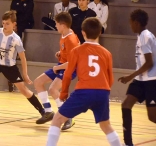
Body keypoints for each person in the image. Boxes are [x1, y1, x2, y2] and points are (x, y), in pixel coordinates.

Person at [46, 17, 121, 146]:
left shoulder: (77, 51)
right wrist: (103, 93)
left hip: (84, 91)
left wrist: (64, 93)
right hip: (103, 92)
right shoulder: (107, 53)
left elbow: (68, 75)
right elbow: (111, 78)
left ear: (83, 33)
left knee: (57, 119)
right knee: (106, 125)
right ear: (100, 33)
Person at [0, 10, 45, 116]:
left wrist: (25, 74)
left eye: (7, 23)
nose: (4, 25)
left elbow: (23, 58)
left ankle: (42, 110)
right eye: (3, 23)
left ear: (14, 24)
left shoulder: (16, 39)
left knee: (23, 90)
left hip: (9, 67)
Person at [34, 12, 79, 130]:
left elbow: (72, 62)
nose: (55, 26)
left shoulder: (71, 39)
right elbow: (67, 52)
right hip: (62, 64)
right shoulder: (64, 34)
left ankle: (68, 117)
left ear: (63, 25)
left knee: (53, 89)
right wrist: (61, 54)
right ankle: (48, 112)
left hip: (70, 68)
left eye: (56, 24)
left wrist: (58, 68)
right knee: (38, 82)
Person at [118, 9, 156, 146]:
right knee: (126, 105)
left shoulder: (145, 36)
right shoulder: (140, 35)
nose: (130, 25)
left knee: (152, 117)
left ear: (136, 23)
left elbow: (149, 62)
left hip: (151, 81)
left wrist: (130, 76)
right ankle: (128, 143)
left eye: (130, 22)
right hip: (140, 81)